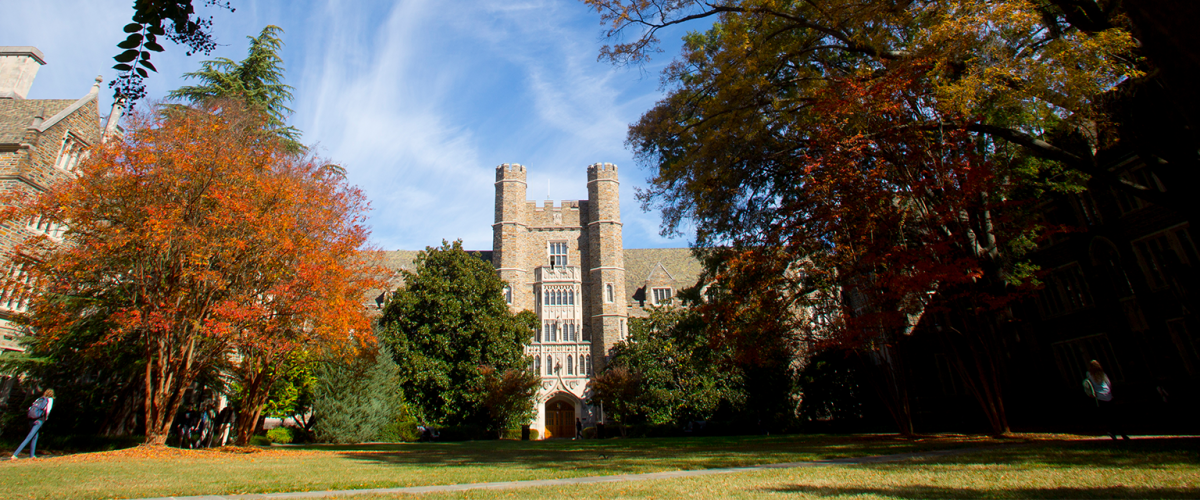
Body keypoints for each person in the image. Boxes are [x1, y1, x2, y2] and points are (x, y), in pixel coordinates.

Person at [1084, 360, 1128, 440]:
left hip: (1100, 397)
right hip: (1108, 395)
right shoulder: (1103, 374)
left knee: (1109, 416)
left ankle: (1114, 432)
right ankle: (1120, 433)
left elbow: (1087, 385)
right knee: (1113, 415)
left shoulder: (1089, 375)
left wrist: (1091, 394)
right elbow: (1108, 384)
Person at [12, 389, 55, 460]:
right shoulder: (50, 399)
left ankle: (32, 455)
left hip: (31, 419)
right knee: (29, 437)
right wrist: (46, 418)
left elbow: (31, 407)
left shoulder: (39, 399)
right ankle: (15, 454)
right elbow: (48, 410)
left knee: (35, 436)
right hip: (39, 419)